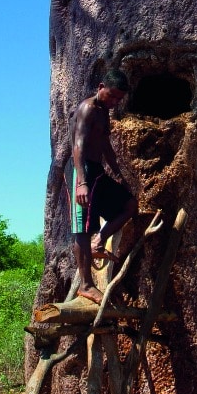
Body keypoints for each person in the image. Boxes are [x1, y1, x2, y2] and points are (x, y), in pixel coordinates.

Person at [67, 66, 137, 299]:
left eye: (120, 98)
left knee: (129, 205)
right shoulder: (88, 109)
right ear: (100, 88)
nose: (115, 101)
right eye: (113, 95)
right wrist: (81, 183)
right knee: (83, 229)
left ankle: (101, 240)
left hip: (96, 172)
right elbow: (78, 146)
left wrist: (118, 174)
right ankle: (86, 284)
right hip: (83, 171)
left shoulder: (104, 112)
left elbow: (106, 146)